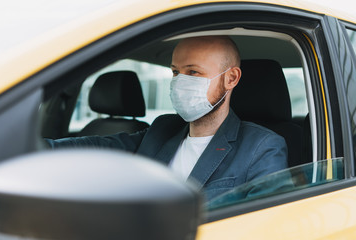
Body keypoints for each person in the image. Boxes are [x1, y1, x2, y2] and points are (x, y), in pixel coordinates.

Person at [46, 36, 288, 201]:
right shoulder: (163, 128)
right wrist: (34, 148)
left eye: (193, 72)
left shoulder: (262, 147)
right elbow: (100, 148)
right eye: (175, 72)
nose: (179, 82)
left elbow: (265, 224)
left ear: (231, 79)